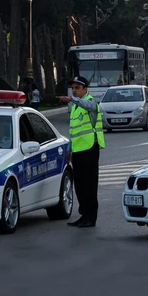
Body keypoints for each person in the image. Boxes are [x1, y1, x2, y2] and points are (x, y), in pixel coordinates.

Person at [57, 76, 105, 228]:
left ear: (85, 89)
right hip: (77, 150)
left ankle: (91, 217)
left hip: (90, 149)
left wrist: (72, 99)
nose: (75, 90)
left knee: (90, 185)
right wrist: (69, 149)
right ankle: (83, 215)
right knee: (79, 185)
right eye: (73, 87)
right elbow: (73, 132)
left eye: (78, 87)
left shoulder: (91, 102)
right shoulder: (75, 108)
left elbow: (88, 106)